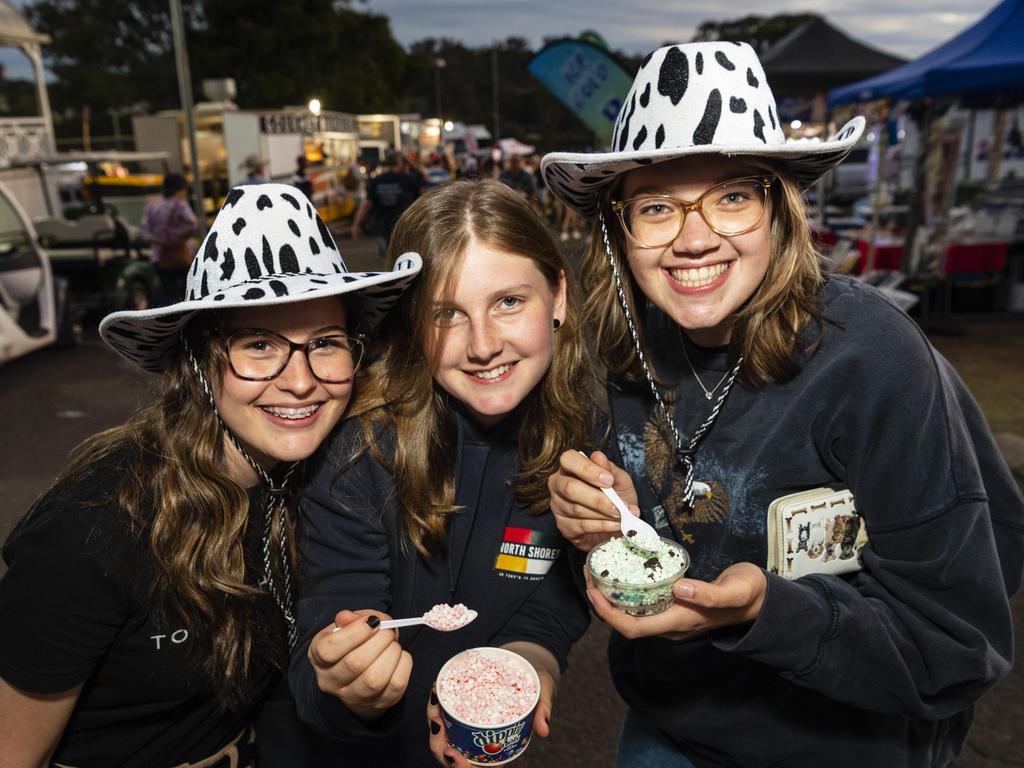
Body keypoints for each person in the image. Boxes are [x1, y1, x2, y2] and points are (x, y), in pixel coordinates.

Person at [540, 42, 1024, 768]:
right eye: (656, 206)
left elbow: (958, 646)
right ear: (618, 229)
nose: (694, 238)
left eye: (733, 196)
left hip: (851, 745)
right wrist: (604, 516)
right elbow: (652, 529)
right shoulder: (614, 353)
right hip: (671, 731)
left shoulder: (872, 357)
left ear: (780, 209)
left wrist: (766, 610)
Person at [0, 183, 422, 767]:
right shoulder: (94, 528)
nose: (300, 381)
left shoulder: (323, 482)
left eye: (324, 343)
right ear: (199, 360)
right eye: (259, 344)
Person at [289, 179, 595, 767]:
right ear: (411, 324)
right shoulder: (358, 453)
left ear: (557, 296)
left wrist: (535, 659)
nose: (483, 345)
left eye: (509, 302)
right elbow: (316, 663)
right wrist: (350, 687)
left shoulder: (583, 436)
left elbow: (556, 593)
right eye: (447, 314)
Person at [140, 172, 198, 306]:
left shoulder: (152, 206)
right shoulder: (180, 204)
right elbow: (192, 225)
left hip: (159, 256)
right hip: (182, 256)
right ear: (180, 189)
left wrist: (159, 240)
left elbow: (144, 232)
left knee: (167, 293)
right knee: (187, 293)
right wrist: (176, 237)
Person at [350, 150, 422, 258]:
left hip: (384, 227)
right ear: (400, 162)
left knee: (387, 262)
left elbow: (366, 204)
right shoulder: (408, 179)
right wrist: (411, 163)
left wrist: (356, 224)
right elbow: (425, 180)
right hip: (404, 227)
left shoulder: (377, 180)